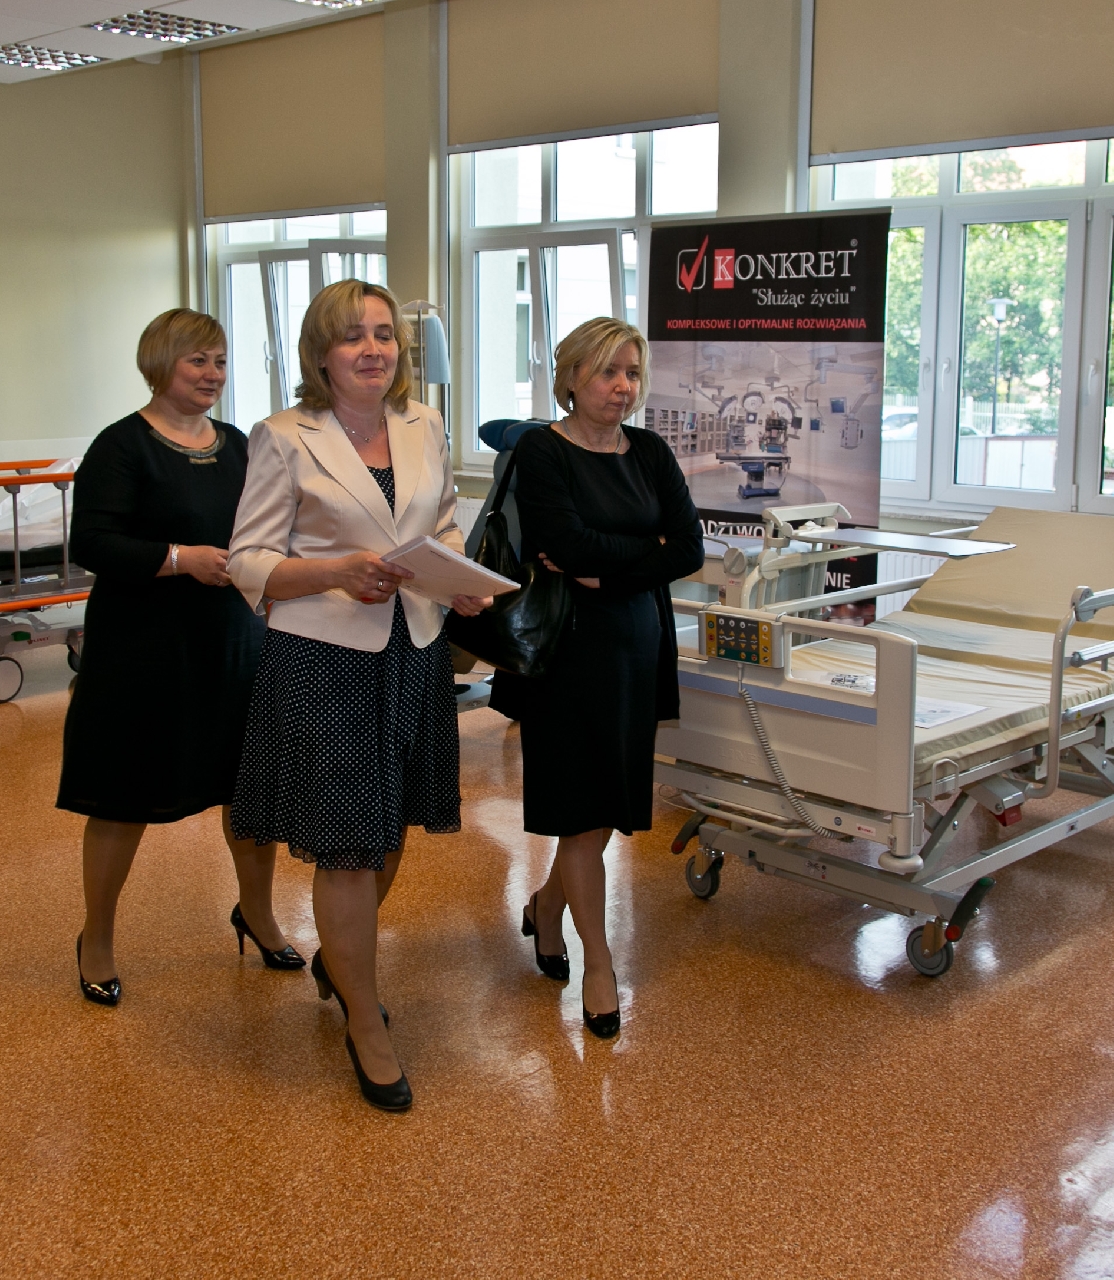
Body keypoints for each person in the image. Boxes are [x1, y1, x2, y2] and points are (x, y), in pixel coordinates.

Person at [228, 280, 487, 1112]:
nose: (372, 349)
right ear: (321, 354)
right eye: (352, 336)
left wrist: (458, 576)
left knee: (392, 830)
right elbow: (249, 562)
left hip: (415, 650)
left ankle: (341, 964)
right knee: (346, 845)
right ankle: (364, 1019)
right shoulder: (283, 436)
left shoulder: (423, 424)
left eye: (383, 334)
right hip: (324, 658)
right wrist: (334, 571)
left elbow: (441, 523)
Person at [58, 309, 295, 1007]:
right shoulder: (121, 446)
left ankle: (256, 913)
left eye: (219, 361)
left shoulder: (238, 444)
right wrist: (176, 559)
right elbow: (91, 543)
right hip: (142, 649)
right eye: (198, 361)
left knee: (249, 793)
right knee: (123, 797)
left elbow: (266, 526)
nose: (212, 374)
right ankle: (97, 938)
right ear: (161, 363)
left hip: (233, 643)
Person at [506, 317, 703, 1039]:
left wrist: (607, 569)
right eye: (607, 372)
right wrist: (640, 550)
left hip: (636, 646)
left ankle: (546, 906)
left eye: (631, 373)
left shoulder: (648, 451)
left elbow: (689, 548)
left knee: (600, 810)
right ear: (571, 377)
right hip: (568, 652)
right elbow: (565, 543)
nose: (622, 387)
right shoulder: (541, 449)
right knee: (582, 814)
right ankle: (598, 963)